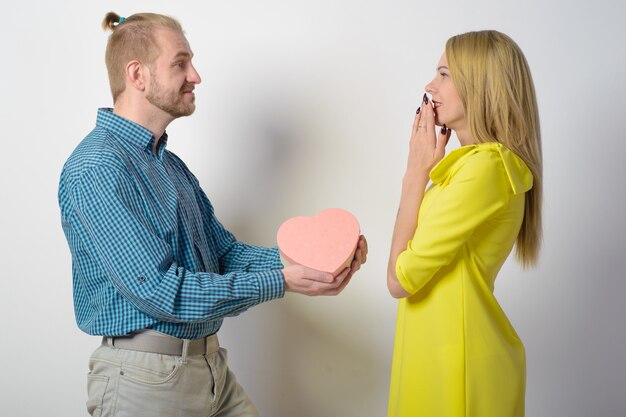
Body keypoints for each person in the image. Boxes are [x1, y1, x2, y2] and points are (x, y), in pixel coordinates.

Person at [58, 12, 368, 417]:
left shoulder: (172, 167)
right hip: (145, 382)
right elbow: (159, 292)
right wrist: (282, 282)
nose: (196, 75)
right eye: (180, 63)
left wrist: (316, 257)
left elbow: (224, 256)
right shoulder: (98, 167)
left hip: (210, 370)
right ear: (138, 75)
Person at [386, 30, 542, 417]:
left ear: (481, 87)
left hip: (458, 364)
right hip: (438, 353)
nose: (430, 85)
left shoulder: (485, 169)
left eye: (444, 74)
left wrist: (414, 174)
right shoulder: (466, 169)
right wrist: (427, 172)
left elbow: (400, 279)